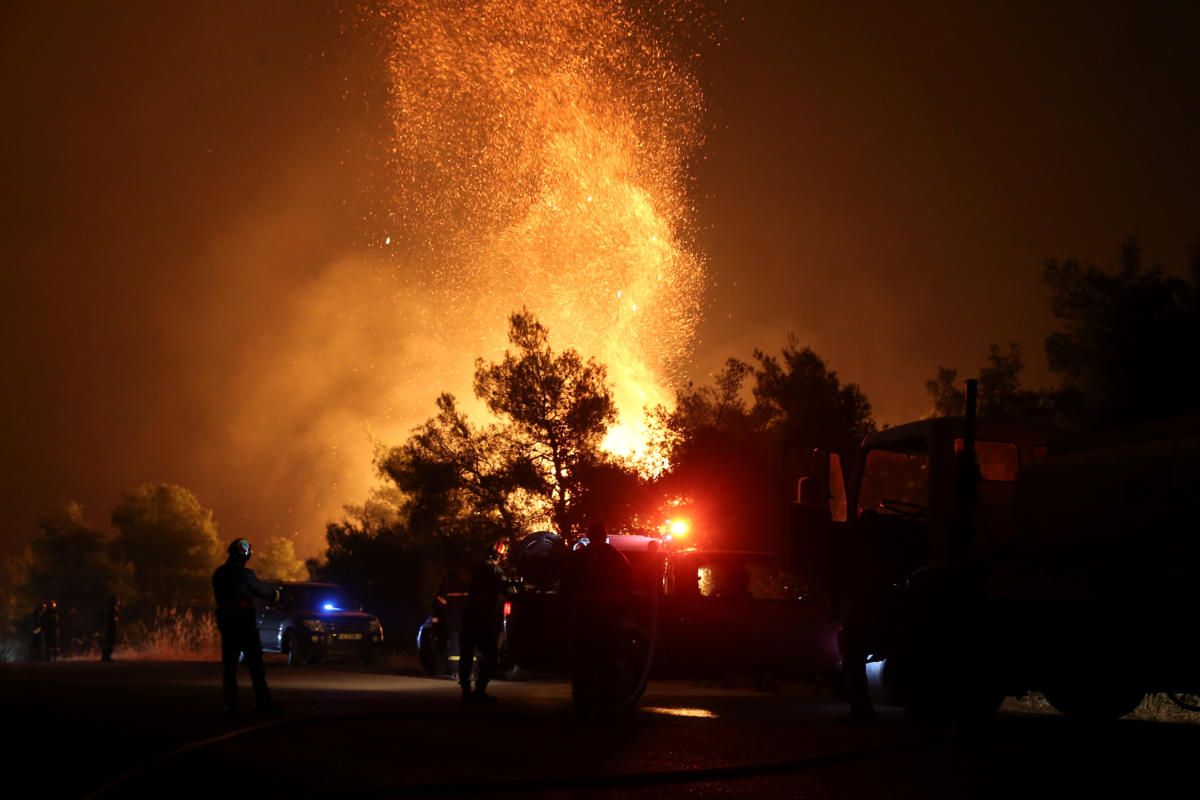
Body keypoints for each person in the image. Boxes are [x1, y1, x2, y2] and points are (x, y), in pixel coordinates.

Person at [562, 521, 634, 715]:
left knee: (582, 668)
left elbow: (564, 590)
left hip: (582, 623)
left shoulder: (578, 559)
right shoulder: (617, 558)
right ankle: (606, 708)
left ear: (589, 535)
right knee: (606, 666)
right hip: (608, 624)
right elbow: (629, 587)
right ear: (604, 535)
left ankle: (582, 709)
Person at [212, 538, 281, 714]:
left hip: (226, 625)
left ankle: (231, 704)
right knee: (256, 665)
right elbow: (264, 591)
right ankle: (262, 702)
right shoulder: (246, 575)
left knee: (230, 666)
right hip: (244, 624)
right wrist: (277, 594)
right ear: (244, 556)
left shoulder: (218, 573)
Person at [459, 544, 507, 704]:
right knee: (491, 654)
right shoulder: (494, 569)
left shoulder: (477, 568)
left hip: (468, 617)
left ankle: (466, 692)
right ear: (499, 556)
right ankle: (479, 690)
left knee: (466, 654)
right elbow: (505, 588)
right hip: (481, 618)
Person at [432, 567, 470, 680]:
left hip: (452, 621)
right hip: (467, 621)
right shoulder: (469, 586)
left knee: (454, 646)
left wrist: (437, 618)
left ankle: (457, 671)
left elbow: (438, 605)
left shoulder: (447, 586)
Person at [101, 595, 120, 662]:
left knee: (109, 641)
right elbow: (110, 619)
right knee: (110, 641)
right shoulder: (111, 609)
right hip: (110, 628)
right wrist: (115, 620)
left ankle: (106, 657)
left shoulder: (110, 609)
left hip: (110, 628)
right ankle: (106, 657)